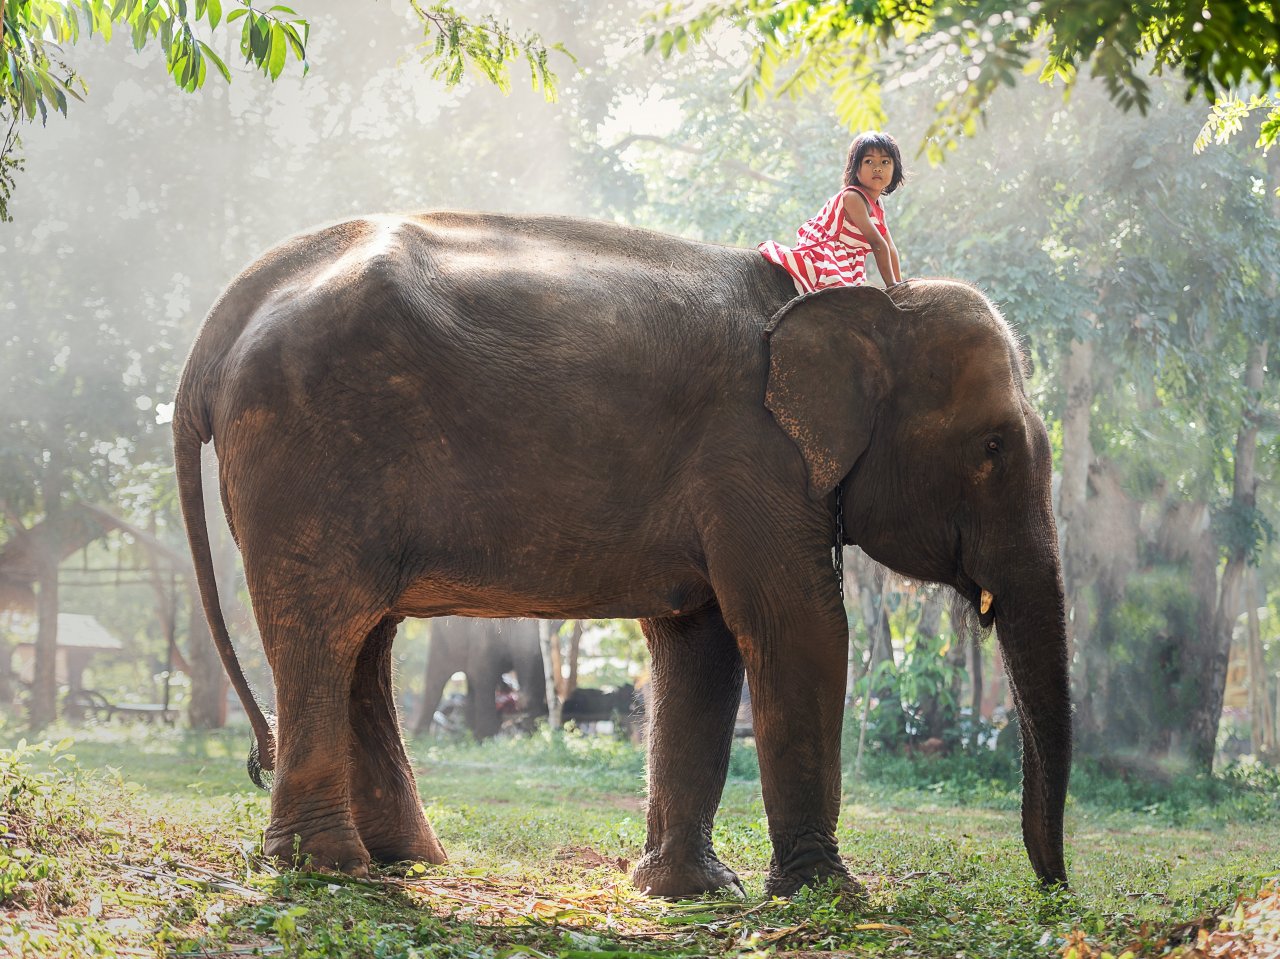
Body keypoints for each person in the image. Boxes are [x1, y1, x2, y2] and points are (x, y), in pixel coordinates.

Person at [759, 131, 905, 294]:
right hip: (824, 254)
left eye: (885, 162)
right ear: (855, 168)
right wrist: (892, 285)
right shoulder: (853, 197)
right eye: (869, 161)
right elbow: (877, 243)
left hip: (846, 260)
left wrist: (900, 284)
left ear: (895, 168)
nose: (877, 168)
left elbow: (889, 245)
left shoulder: (878, 204)